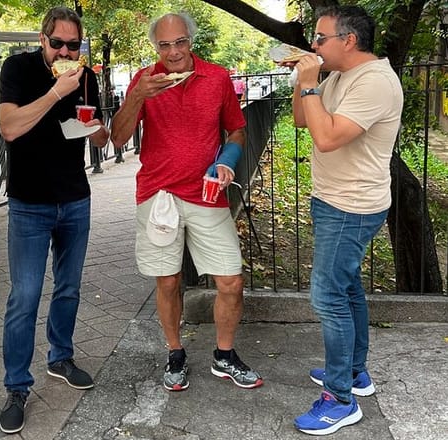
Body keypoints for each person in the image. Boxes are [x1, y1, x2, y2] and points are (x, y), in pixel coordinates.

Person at [110, 12, 263, 392]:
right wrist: (138, 95)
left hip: (206, 193)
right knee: (168, 280)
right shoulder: (145, 79)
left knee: (231, 280)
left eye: (180, 42)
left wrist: (226, 161)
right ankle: (175, 352)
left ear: (190, 41)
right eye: (164, 45)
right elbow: (118, 138)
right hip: (158, 194)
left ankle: (224, 356)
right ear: (156, 47)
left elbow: (237, 130)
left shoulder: (216, 77)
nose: (174, 52)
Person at [286, 5, 403, 435]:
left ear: (349, 40)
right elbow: (303, 120)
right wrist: (302, 82)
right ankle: (354, 373)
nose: (313, 44)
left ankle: (339, 398)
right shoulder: (337, 75)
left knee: (328, 297)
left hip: (351, 207)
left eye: (320, 38)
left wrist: (310, 82)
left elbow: (328, 138)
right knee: (347, 288)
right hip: (333, 200)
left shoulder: (375, 82)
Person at [0, 6, 109, 434]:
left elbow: (100, 137)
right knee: (24, 296)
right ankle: (16, 386)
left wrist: (96, 130)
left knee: (69, 287)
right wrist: (57, 93)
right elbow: (9, 127)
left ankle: (60, 356)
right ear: (43, 40)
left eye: (73, 45)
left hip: (75, 198)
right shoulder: (18, 69)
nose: (65, 51)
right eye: (57, 43)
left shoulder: (87, 76)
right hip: (30, 203)